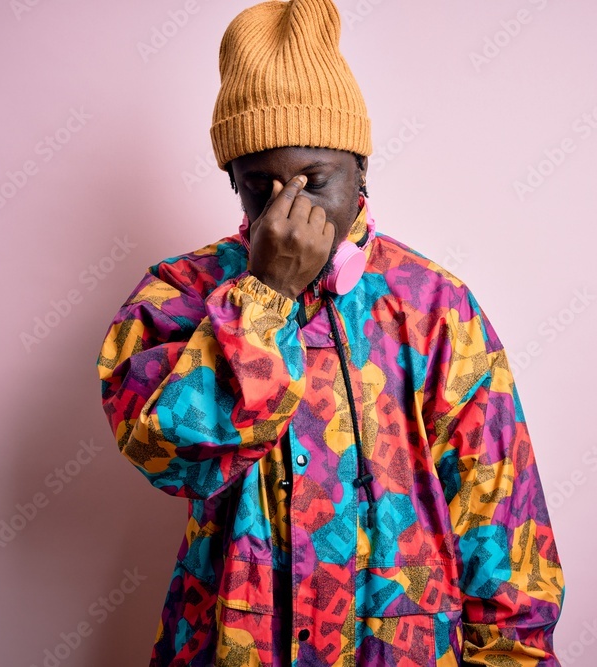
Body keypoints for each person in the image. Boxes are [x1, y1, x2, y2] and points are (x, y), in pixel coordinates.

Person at [96, 0, 565, 664]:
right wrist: (264, 298)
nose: (291, 212)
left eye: (315, 180)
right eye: (262, 187)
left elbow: (501, 518)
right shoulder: (179, 296)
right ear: (232, 183)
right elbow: (168, 453)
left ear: (361, 171)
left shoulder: (436, 308)